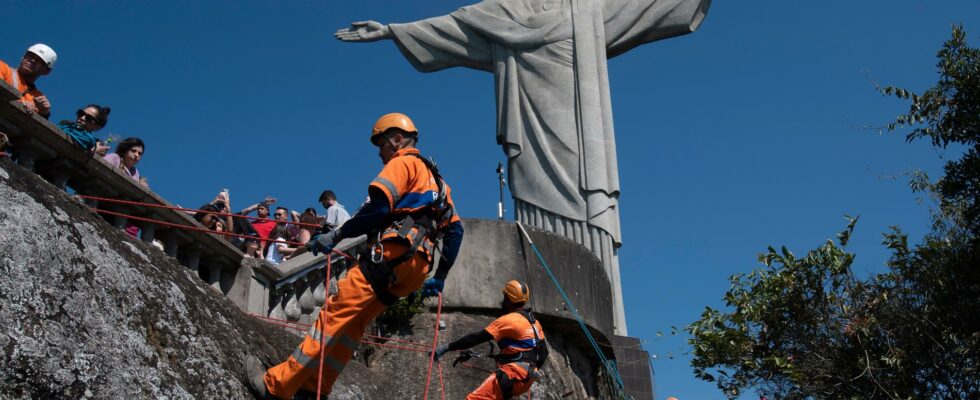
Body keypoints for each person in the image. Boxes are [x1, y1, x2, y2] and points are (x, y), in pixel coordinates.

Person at [245, 112, 465, 399]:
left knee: (333, 317)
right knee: (353, 325)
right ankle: (314, 390)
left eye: (382, 146)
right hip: (417, 267)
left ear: (397, 140)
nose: (380, 154)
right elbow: (455, 232)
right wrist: (442, 276)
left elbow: (378, 210)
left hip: (391, 253)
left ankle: (277, 386)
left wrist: (337, 235)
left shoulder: (403, 163)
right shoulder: (439, 183)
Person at [433, 280, 548, 400]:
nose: (502, 302)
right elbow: (544, 353)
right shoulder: (535, 323)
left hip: (511, 375)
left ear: (508, 299)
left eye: (504, 298)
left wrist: (447, 347)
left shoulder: (508, 320)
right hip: (526, 380)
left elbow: (476, 338)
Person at [0, 44, 56, 119]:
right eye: (30, 56)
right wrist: (21, 103)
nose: (32, 60)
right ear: (23, 58)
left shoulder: (37, 97)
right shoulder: (3, 68)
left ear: (46, 71)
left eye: (39, 60)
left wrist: (44, 112)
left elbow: (35, 126)